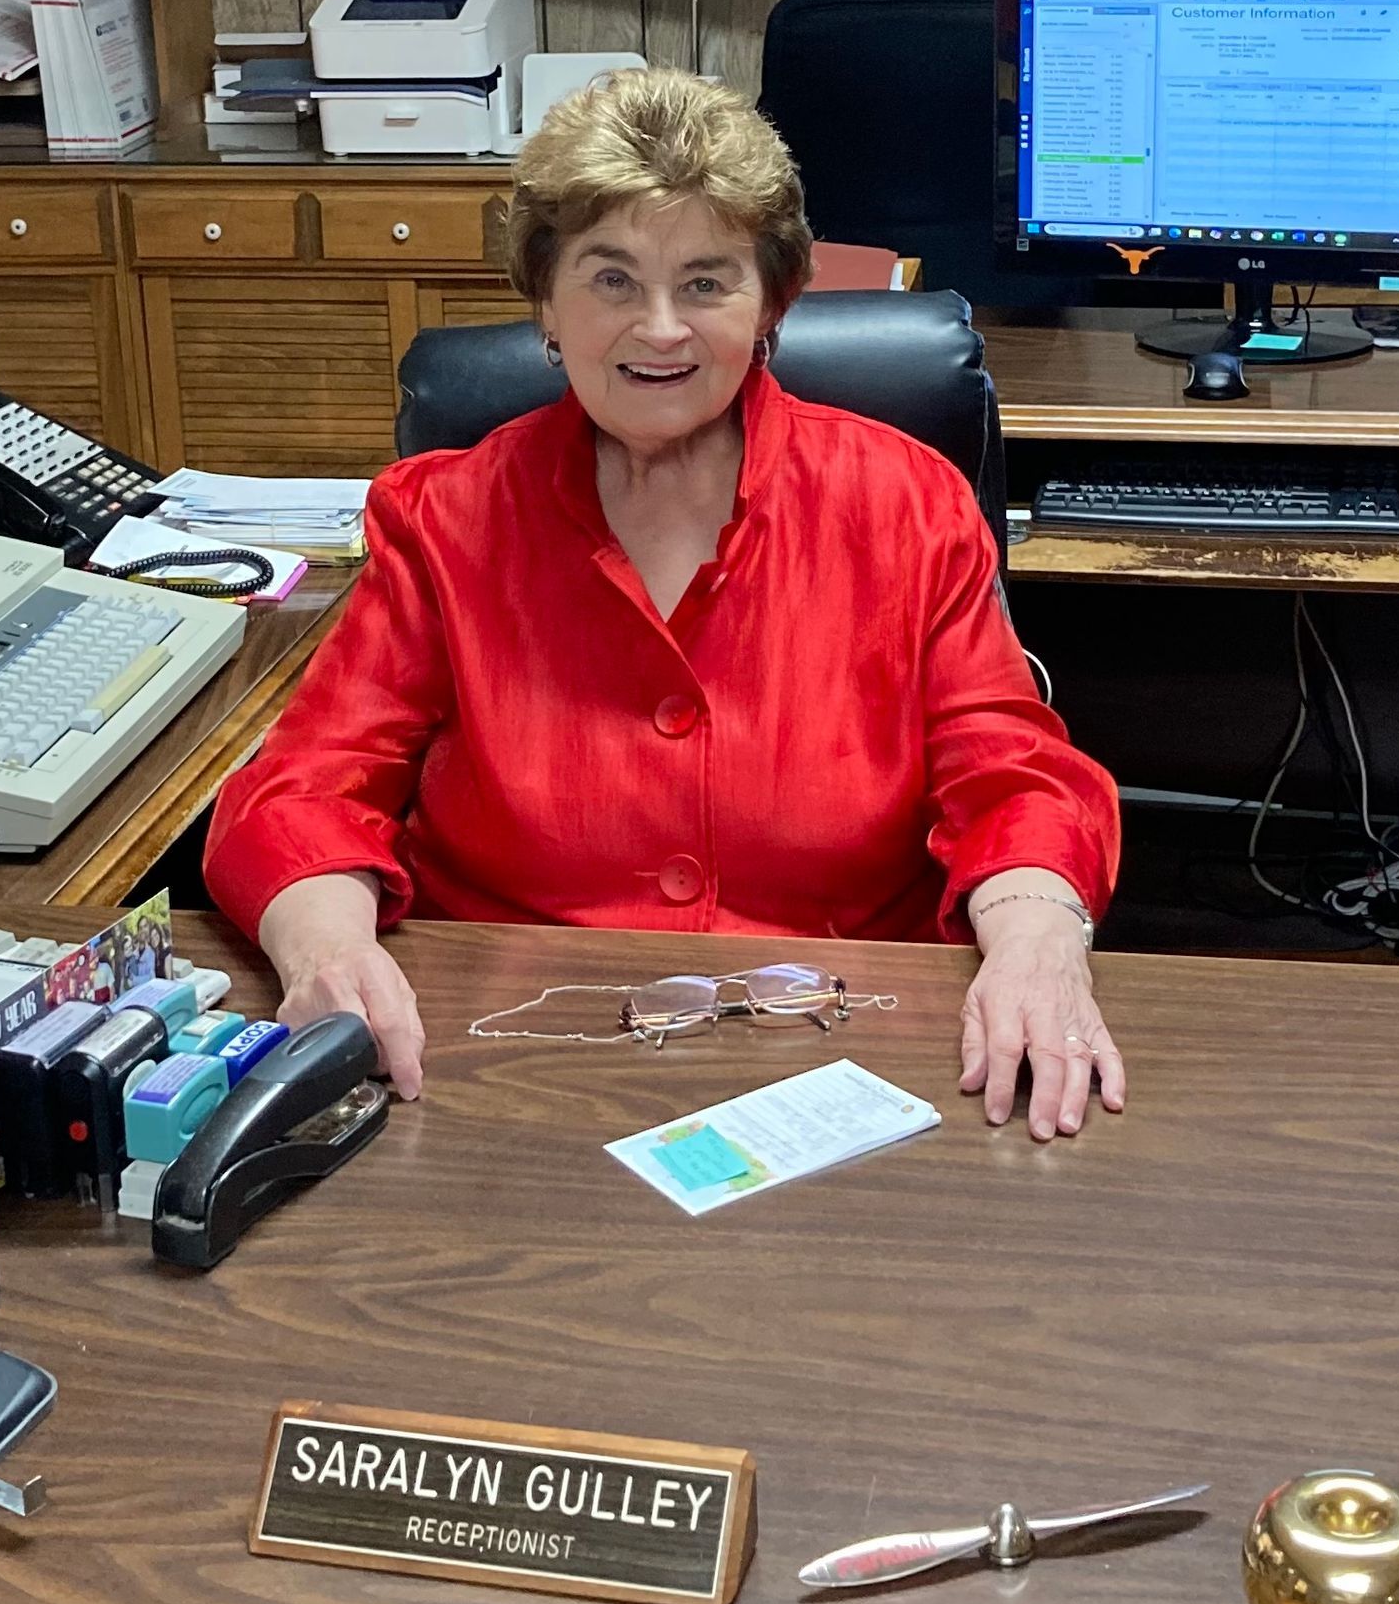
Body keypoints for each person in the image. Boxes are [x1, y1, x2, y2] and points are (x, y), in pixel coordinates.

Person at [205, 69, 1123, 1141]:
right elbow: (302, 791)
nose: (659, 329)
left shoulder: (904, 504)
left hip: (845, 1056)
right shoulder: (446, 519)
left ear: (771, 303)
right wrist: (327, 953)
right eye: (611, 279)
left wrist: (1036, 945)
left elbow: (1012, 778)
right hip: (508, 1060)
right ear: (545, 302)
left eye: (704, 282)